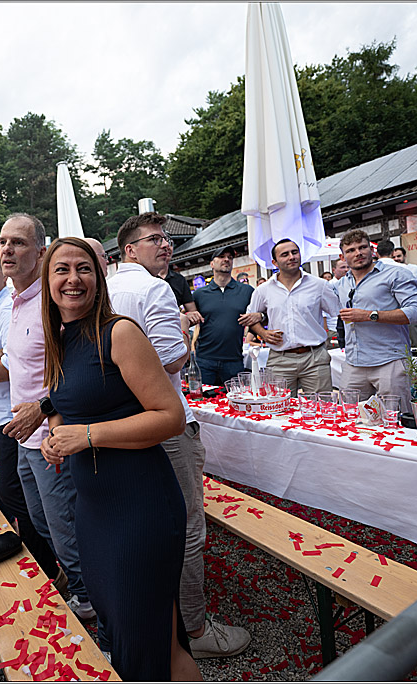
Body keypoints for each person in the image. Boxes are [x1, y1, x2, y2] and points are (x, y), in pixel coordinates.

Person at [39, 236, 200, 681]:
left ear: (100, 277)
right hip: (94, 510)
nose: (73, 279)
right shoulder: (62, 340)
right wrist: (56, 437)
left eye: (84, 268)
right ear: (47, 281)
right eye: (62, 270)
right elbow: (65, 407)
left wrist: (87, 436)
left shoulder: (120, 332)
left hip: (140, 503)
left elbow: (170, 416)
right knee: (133, 632)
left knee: (151, 645)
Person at [108, 213, 250, 658]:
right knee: (187, 524)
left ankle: (150, 619)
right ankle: (194, 627)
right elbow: (171, 360)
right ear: (130, 250)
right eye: (154, 240)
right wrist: (187, 334)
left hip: (118, 423)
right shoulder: (154, 289)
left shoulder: (104, 289)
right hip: (163, 421)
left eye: (167, 239)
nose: (165, 246)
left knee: (138, 524)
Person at [0, 213, 94, 621]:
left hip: (53, 438)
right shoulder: (16, 303)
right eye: (3, 241)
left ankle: (90, 601)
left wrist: (45, 412)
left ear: (41, 253)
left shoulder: (53, 302)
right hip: (24, 437)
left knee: (65, 529)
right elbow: (19, 364)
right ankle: (79, 587)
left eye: (18, 243)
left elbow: (79, 370)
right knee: (42, 524)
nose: (6, 249)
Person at [0, 244, 64, 591]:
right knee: (27, 501)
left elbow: (13, 359)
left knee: (24, 499)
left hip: (19, 416)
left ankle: (51, 566)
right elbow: (2, 354)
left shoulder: (13, 304)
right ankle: (54, 565)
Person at [334, 230, 417, 411]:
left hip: (389, 361)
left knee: (395, 421)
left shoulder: (396, 274)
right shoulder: (342, 284)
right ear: (342, 256)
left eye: (362, 247)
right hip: (354, 363)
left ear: (372, 250)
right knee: (349, 420)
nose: (358, 253)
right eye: (351, 250)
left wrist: (370, 315)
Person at [243, 239, 340, 395]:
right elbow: (250, 319)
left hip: (315, 357)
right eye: (285, 254)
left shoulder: (319, 285)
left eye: (295, 252)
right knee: (279, 409)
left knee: (321, 409)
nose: (292, 257)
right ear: (275, 262)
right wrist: (263, 333)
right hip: (280, 359)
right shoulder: (263, 290)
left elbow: (337, 313)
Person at [192, 246, 254, 385]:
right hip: (205, 360)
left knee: (236, 403)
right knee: (203, 403)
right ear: (212, 264)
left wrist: (260, 316)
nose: (226, 259)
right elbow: (188, 319)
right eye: (221, 257)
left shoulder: (247, 291)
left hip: (234, 360)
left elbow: (260, 317)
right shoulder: (199, 294)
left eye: (230, 257)